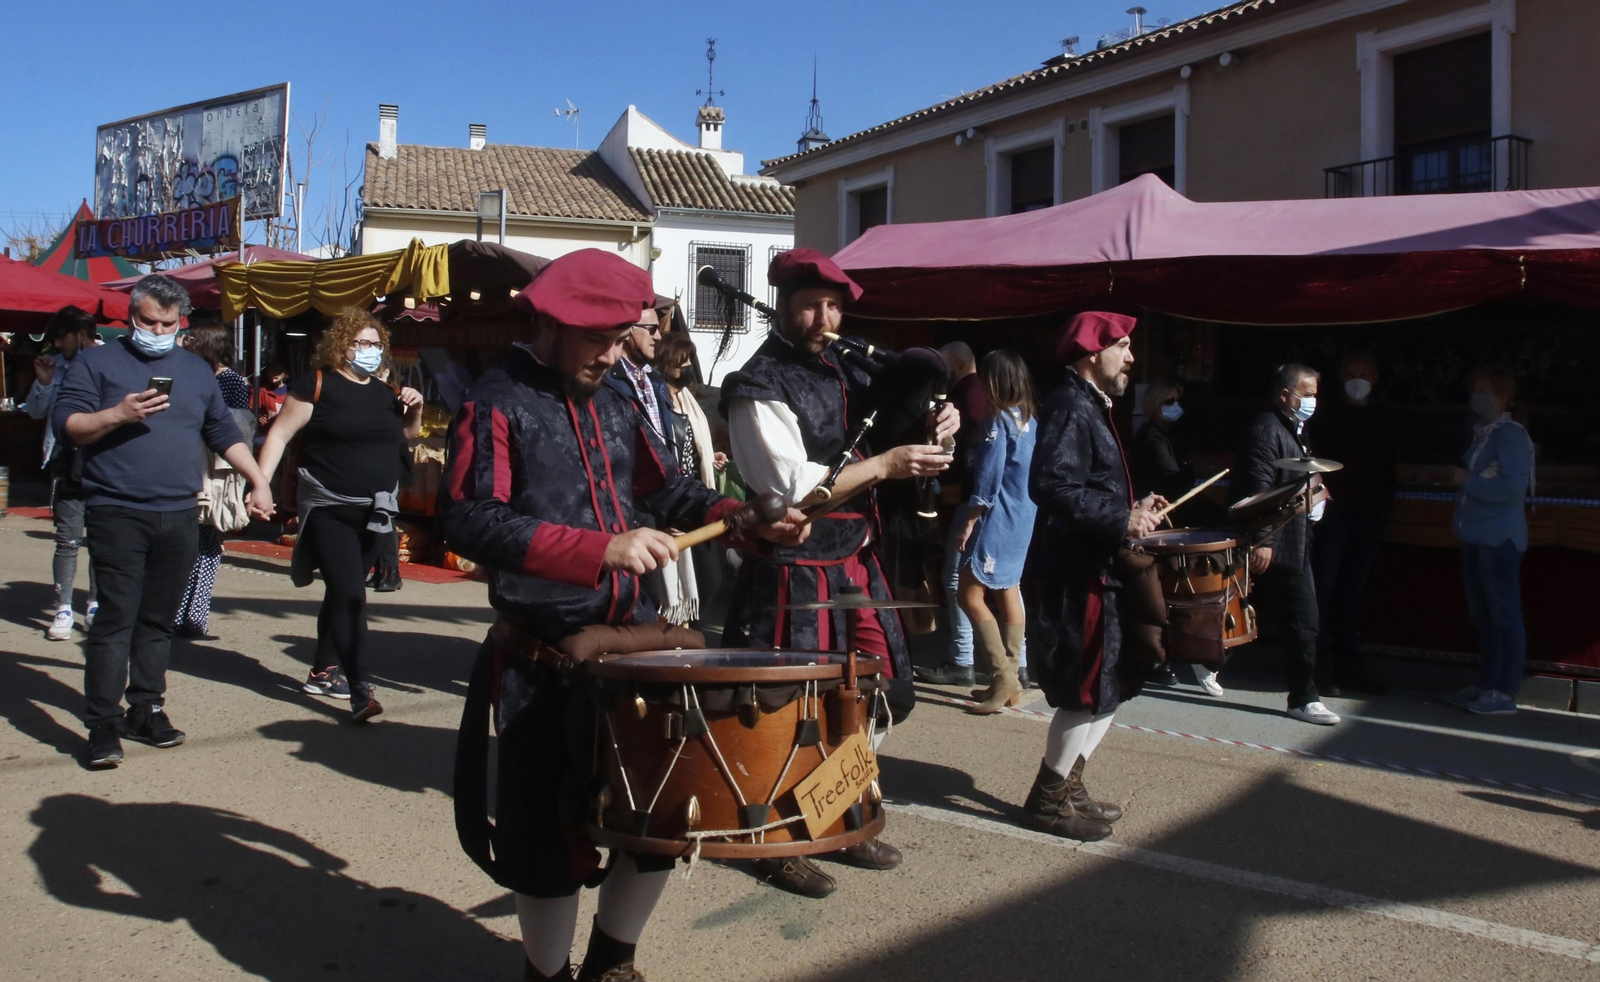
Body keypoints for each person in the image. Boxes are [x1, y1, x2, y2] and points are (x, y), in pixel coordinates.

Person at [440, 249, 805, 982]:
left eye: (620, 336)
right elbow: (470, 520)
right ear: (546, 323)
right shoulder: (496, 399)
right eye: (594, 338)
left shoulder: (614, 400)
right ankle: (547, 975)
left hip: (633, 651)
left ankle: (614, 960)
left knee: (660, 819)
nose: (611, 354)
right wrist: (598, 549)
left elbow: (668, 492)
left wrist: (737, 516)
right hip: (543, 656)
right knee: (544, 844)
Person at [720, 247, 957, 898]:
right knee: (794, 712)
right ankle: (774, 842)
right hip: (794, 571)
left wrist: (942, 419)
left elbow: (902, 424)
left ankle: (832, 811)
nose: (824, 317)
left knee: (875, 695)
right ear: (784, 305)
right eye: (810, 304)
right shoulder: (756, 386)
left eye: (834, 306)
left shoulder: (848, 371)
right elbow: (791, 493)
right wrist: (884, 467)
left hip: (855, 558)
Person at [52, 274, 273, 769]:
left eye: (165, 323)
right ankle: (103, 723)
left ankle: (146, 707)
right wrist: (117, 414)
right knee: (116, 618)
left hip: (179, 511)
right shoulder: (96, 362)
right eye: (145, 321)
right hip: (116, 509)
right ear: (131, 317)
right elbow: (67, 426)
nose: (154, 330)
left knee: (157, 621)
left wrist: (258, 478)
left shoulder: (196, 371)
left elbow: (220, 429)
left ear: (182, 323)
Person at [1020, 311, 1164, 842]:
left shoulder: (1089, 406)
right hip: (1077, 576)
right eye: (1122, 347)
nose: (1130, 358)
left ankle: (1070, 786)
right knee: (1085, 690)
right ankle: (1047, 799)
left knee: (1111, 685)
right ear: (1091, 353)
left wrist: (1134, 506)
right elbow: (1051, 486)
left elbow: (1087, 488)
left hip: (1098, 570)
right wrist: (1119, 517)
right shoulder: (1069, 407)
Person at [255, 308, 423, 720]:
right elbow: (279, 434)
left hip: (376, 512)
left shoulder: (387, 391)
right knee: (351, 594)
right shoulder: (317, 385)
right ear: (340, 346)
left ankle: (323, 671)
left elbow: (405, 436)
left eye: (374, 344)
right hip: (330, 507)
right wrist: (259, 483)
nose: (368, 350)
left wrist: (414, 410)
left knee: (341, 592)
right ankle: (360, 689)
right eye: (359, 343)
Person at [1232, 363, 1341, 725]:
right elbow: (1260, 489)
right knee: (1302, 619)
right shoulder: (1267, 430)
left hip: (1295, 539)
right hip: (1279, 542)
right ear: (1285, 395)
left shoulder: (1293, 429)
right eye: (1307, 394)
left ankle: (1209, 662)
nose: (1312, 401)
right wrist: (1265, 540)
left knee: (1289, 617)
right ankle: (1304, 697)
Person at [1305, 353, 1396, 695]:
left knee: (1353, 594)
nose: (1358, 380)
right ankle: (1318, 669)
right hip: (1335, 516)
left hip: (1369, 516)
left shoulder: (1383, 416)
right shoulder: (1326, 415)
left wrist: (1385, 508)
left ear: (1375, 379)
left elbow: (1389, 465)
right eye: (1351, 374)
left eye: (1364, 374)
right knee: (1325, 590)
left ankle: (1349, 668)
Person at [1445, 367, 1533, 715]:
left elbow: (1512, 487)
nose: (1477, 397)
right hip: (1477, 536)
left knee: (1504, 615)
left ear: (1501, 395)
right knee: (1484, 615)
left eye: (1484, 390)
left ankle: (1505, 689)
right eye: (1475, 390)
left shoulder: (1510, 435)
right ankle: (1486, 683)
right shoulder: (1483, 434)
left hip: (1500, 539)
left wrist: (1468, 480)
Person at [955, 349, 1039, 713]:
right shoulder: (1031, 418)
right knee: (1008, 590)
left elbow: (990, 476)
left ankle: (1001, 674)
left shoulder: (998, 420)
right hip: (1024, 517)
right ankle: (1012, 680)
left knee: (968, 594)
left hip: (999, 518)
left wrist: (970, 518)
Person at [172, 325, 256, 639]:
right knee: (188, 544)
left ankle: (194, 616)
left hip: (215, 473)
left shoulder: (229, 380)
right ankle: (180, 614)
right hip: (195, 468)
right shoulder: (197, 376)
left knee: (206, 543)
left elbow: (235, 427)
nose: (186, 346)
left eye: (191, 341)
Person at [25, 306, 100, 641]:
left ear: (80, 334)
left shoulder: (108, 363)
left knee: (102, 538)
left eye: (61, 337)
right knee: (67, 538)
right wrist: (43, 383)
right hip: (65, 459)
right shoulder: (55, 369)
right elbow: (36, 412)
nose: (56, 344)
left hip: (104, 460)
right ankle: (64, 607)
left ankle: (97, 603)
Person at [916, 340, 988, 686]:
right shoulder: (984, 395)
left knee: (956, 579)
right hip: (979, 501)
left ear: (957, 366)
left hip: (966, 500)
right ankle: (1011, 662)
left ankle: (962, 659)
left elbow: (966, 456)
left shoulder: (967, 400)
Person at [1129, 380, 1204, 686]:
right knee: (1155, 595)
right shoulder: (1151, 437)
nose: (1174, 405)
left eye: (1177, 400)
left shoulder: (1169, 436)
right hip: (1153, 523)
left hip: (1165, 519)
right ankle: (1153, 658)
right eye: (1167, 400)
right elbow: (1174, 478)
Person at [655, 330, 730, 625]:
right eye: (681, 361)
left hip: (696, 500)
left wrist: (709, 459)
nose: (687, 367)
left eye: (689, 361)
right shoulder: (655, 403)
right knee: (675, 587)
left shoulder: (687, 400)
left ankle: (689, 636)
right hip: (672, 504)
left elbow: (689, 445)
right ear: (667, 363)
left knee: (709, 579)